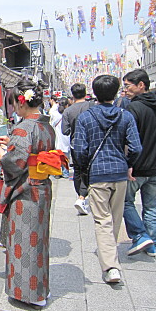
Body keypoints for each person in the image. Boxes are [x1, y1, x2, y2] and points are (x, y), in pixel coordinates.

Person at [0, 79, 61, 308]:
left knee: (25, 241)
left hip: (26, 193)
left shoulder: (24, 127)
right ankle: (41, 289)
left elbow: (16, 162)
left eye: (14, 104)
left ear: (21, 104)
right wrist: (11, 142)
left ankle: (31, 295)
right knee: (39, 242)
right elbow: (36, 148)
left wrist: (2, 155)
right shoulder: (45, 125)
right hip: (41, 188)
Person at [73, 75, 142, 283]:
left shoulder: (86, 118)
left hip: (97, 174)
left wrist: (84, 169)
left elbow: (80, 150)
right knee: (115, 217)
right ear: (115, 93)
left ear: (94, 93)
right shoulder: (125, 116)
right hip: (120, 172)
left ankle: (111, 266)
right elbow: (137, 147)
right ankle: (111, 257)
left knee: (102, 220)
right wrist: (129, 163)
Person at [122, 69, 156, 257]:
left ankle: (140, 236)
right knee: (152, 206)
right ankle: (152, 244)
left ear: (141, 85)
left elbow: (128, 139)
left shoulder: (134, 108)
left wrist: (128, 162)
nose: (125, 90)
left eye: (128, 86)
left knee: (125, 202)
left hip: (138, 166)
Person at [62, 83, 94, 215]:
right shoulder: (92, 106)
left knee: (78, 171)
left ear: (72, 95)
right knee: (88, 170)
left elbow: (65, 131)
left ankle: (80, 196)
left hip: (75, 144)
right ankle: (83, 196)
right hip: (91, 143)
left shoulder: (68, 111)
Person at [52, 98, 71, 178]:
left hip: (57, 136)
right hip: (66, 137)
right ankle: (65, 172)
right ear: (67, 105)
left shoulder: (54, 114)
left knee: (57, 155)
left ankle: (57, 172)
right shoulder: (68, 113)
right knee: (66, 155)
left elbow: (51, 125)